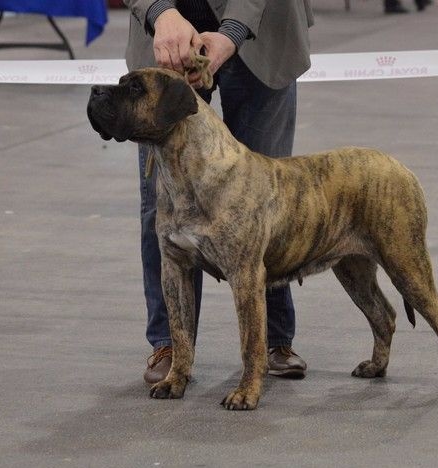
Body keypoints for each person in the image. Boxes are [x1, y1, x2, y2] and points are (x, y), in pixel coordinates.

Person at [123, 1, 314, 384]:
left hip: (262, 32)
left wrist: (232, 34)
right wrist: (159, 12)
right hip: (166, 39)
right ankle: (171, 346)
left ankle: (274, 339)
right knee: (162, 208)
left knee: (268, 199)